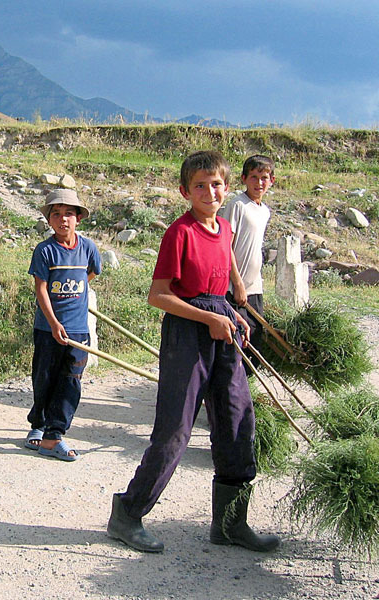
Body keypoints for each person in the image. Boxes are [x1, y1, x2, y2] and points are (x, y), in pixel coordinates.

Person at [106, 151, 280, 553]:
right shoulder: (179, 233)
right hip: (187, 334)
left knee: (237, 421)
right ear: (185, 191)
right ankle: (128, 514)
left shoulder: (223, 229)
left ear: (227, 188)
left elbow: (222, 280)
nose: (209, 191)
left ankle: (230, 524)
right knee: (175, 430)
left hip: (222, 330)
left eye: (216, 184)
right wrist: (209, 320)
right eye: (199, 185)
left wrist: (236, 316)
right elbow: (159, 296)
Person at [25, 189, 102, 461]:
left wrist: (74, 300)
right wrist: (54, 322)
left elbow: (90, 273)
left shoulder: (88, 248)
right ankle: (39, 425)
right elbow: (41, 289)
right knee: (45, 378)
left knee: (71, 382)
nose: (62, 220)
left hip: (78, 329)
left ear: (78, 218)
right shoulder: (45, 250)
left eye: (68, 213)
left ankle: (54, 434)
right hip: (48, 329)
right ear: (49, 221)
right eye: (56, 214)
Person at [222, 155, 274, 371]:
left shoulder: (264, 210)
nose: (259, 183)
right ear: (244, 178)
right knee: (237, 342)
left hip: (254, 287)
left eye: (264, 178)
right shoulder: (238, 205)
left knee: (255, 341)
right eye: (254, 177)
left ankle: (242, 390)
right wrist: (238, 284)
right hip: (235, 287)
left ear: (272, 180)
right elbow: (225, 246)